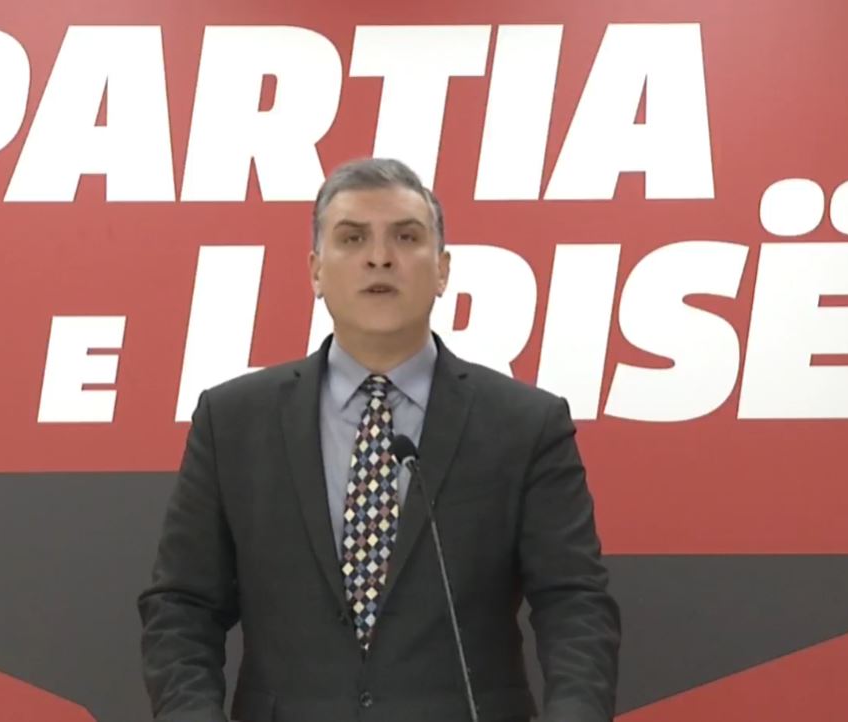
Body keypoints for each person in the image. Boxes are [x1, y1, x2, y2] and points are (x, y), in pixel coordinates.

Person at [138, 157, 620, 722]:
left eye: (406, 237)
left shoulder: (525, 423)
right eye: (352, 238)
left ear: (442, 270)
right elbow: (182, 607)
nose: (380, 257)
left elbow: (575, 603)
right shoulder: (233, 421)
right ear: (316, 271)